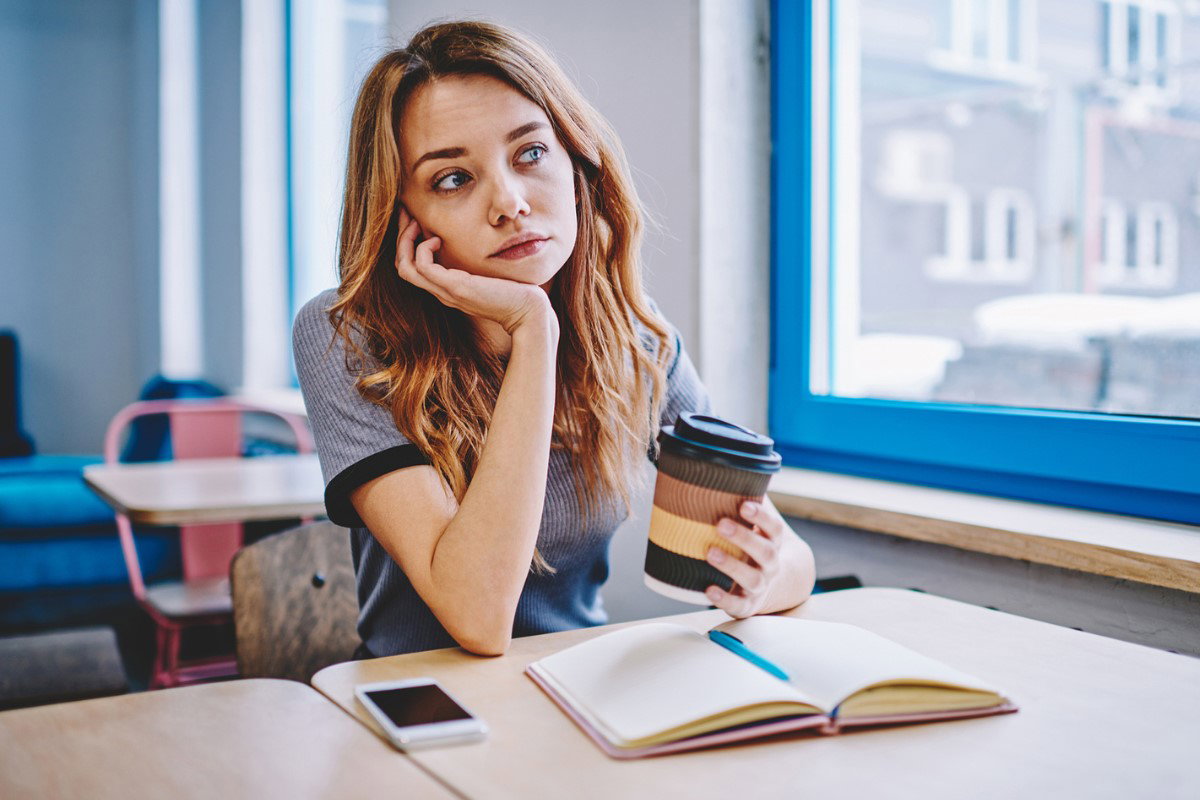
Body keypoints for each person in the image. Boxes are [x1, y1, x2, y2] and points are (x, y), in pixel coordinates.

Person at [293, 20, 815, 659]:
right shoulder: (349, 336)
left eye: (530, 153)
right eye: (453, 178)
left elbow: (792, 559)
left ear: (575, 162)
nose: (510, 203)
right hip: (423, 706)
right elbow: (477, 617)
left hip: (574, 691)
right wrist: (533, 330)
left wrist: (764, 574)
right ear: (402, 215)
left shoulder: (632, 337)